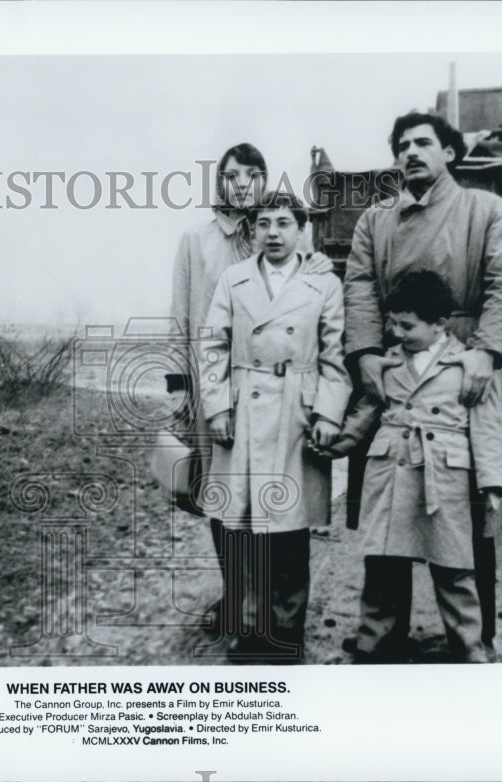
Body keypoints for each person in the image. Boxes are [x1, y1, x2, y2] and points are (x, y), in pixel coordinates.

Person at [342, 111, 502, 659]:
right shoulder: (375, 221)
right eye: (402, 145)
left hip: (465, 369)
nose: (411, 152)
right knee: (388, 510)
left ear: (450, 152)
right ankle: (385, 634)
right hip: (392, 374)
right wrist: (365, 355)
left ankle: (475, 637)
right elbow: (357, 288)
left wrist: (487, 353)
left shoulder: (487, 210)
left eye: (424, 142)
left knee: (471, 511)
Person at [198, 191, 351, 663]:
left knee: (288, 528)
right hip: (243, 411)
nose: (274, 233)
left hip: (295, 415)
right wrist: (217, 405)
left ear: (301, 228)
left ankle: (286, 632)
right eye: (263, 223)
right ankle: (249, 629)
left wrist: (328, 413)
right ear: (253, 230)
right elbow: (213, 346)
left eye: (284, 223)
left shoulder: (322, 283)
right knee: (243, 526)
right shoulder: (233, 279)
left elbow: (334, 356)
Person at [168, 143, 310, 637]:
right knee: (223, 500)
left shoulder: (283, 235)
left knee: (274, 497)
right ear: (219, 182)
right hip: (216, 390)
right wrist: (183, 392)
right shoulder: (196, 240)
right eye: (232, 175)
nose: (242, 185)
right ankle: (237, 598)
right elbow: (182, 317)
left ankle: (275, 611)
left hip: (273, 390)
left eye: (253, 175)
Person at [328, 271, 502, 663]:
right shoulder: (388, 362)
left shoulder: (470, 366)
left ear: (440, 324)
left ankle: (469, 647)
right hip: (390, 469)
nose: (396, 331)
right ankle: (373, 643)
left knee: (454, 568)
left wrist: (492, 483)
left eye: (406, 325)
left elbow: (488, 426)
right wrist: (336, 445)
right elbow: (365, 411)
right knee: (382, 563)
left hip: (444, 476)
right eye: (392, 322)